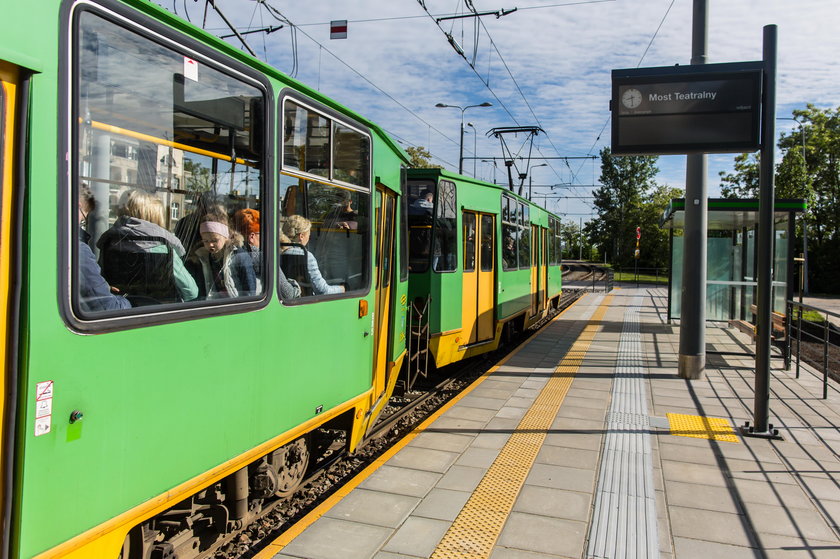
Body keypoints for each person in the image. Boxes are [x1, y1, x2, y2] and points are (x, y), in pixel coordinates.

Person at [97, 189, 198, 303]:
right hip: (159, 311)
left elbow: (101, 283)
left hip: (120, 310)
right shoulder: (164, 247)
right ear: (155, 216)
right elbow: (191, 291)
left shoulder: (109, 244)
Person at [77, 185, 131, 312]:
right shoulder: (78, 251)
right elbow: (108, 307)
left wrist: (102, 287)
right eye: (83, 219)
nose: (80, 224)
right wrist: (130, 301)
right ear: (76, 207)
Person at [187, 211, 256, 299]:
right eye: (205, 241)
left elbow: (250, 288)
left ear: (226, 236)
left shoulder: (239, 256)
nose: (210, 244)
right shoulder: (202, 258)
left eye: (215, 240)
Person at [281, 215, 344, 295]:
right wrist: (343, 288)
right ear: (301, 236)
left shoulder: (279, 252)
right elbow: (322, 290)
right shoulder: (306, 256)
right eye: (309, 235)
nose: (309, 238)